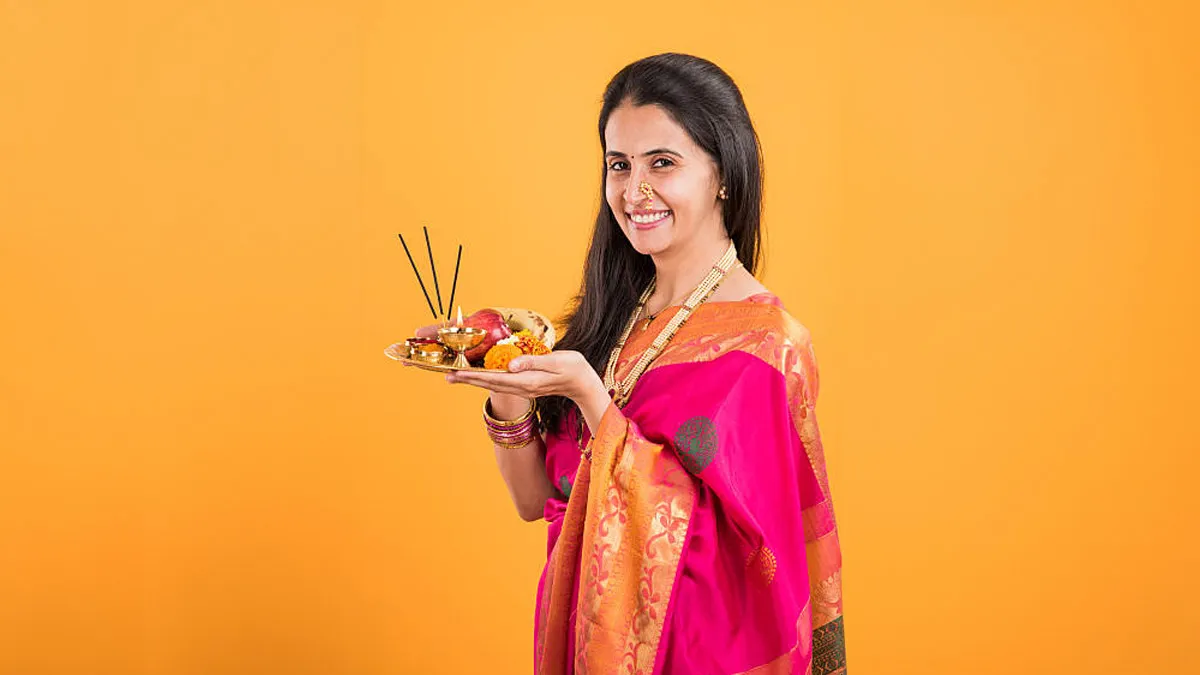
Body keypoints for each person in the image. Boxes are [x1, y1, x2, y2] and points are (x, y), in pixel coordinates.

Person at [427, 53, 845, 674]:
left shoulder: (765, 347)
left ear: (723, 173)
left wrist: (593, 401)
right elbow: (537, 500)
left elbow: (748, 568)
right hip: (581, 643)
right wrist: (506, 385)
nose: (634, 192)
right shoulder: (612, 316)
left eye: (662, 163)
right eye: (618, 165)